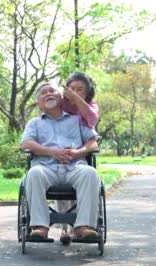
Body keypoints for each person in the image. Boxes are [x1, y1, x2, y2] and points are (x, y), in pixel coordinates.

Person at [21, 82, 101, 241]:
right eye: (44, 92)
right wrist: (52, 152)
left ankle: (83, 227)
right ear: (39, 103)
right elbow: (26, 144)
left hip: (74, 167)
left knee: (91, 173)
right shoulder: (34, 123)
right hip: (46, 168)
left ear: (61, 98)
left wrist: (78, 152)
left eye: (52, 91)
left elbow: (93, 142)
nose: (48, 93)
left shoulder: (77, 119)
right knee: (33, 173)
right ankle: (40, 227)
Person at [57, 71, 100, 243]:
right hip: (59, 152)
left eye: (80, 89)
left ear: (87, 92)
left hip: (82, 149)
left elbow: (91, 119)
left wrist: (76, 99)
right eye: (72, 89)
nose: (75, 92)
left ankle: (83, 226)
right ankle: (65, 229)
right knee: (60, 190)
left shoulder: (91, 106)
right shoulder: (61, 105)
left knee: (86, 178)